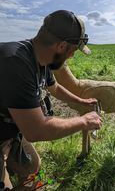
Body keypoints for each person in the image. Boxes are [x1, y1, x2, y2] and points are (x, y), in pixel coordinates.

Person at [0, 10, 102, 190]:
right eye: (73, 51)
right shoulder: (15, 62)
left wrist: (81, 101)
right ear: (62, 46)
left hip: (11, 130)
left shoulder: (41, 59)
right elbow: (36, 131)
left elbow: (55, 88)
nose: (71, 56)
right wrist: (84, 121)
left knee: (33, 166)